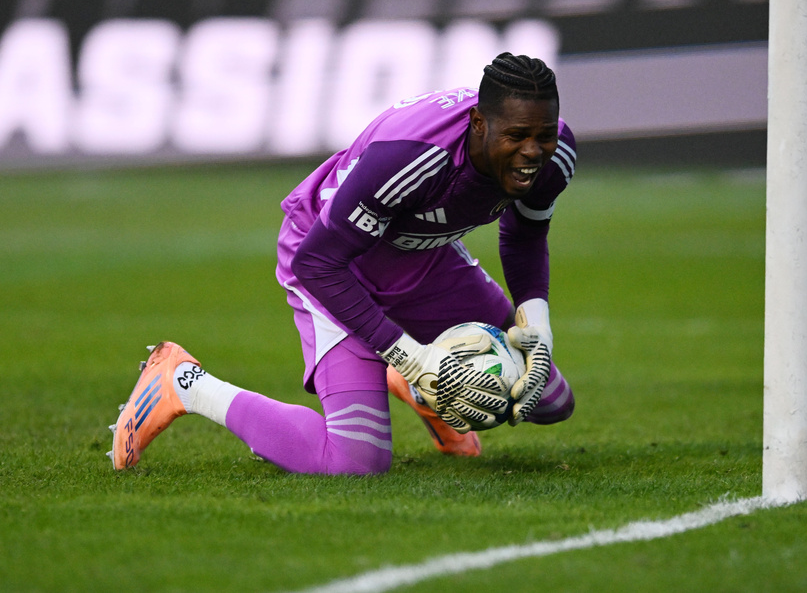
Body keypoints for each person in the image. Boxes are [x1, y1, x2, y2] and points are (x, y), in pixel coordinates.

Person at [109, 52, 577, 474]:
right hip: (334, 264)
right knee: (356, 460)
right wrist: (412, 356)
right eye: (517, 136)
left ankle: (421, 387)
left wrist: (538, 328)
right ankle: (184, 382)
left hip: (422, 258)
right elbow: (318, 263)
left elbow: (525, 233)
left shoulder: (556, 155)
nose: (533, 152)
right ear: (478, 123)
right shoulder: (413, 156)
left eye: (543, 134)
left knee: (547, 398)